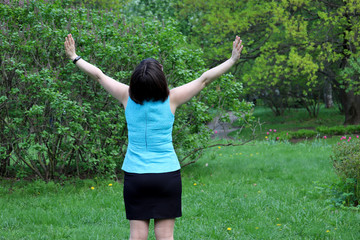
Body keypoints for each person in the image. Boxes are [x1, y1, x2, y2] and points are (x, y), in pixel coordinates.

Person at [64, 33, 243, 240]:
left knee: (137, 236)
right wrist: (231, 60)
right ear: (160, 79)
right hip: (166, 175)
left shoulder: (126, 95)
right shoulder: (172, 98)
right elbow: (204, 79)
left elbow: (99, 75)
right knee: (165, 237)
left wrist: (75, 57)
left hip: (136, 176)